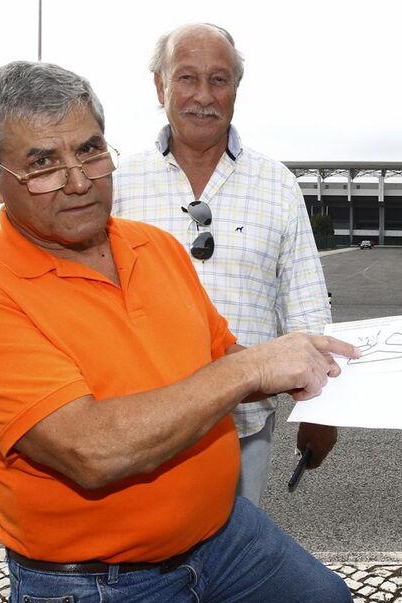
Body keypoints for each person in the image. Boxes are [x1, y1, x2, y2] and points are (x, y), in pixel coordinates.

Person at [0, 60, 357, 603]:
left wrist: (313, 366)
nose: (78, 181)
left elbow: (221, 357)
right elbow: (91, 450)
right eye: (42, 163)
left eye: (89, 150)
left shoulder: (154, 246)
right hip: (99, 589)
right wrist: (252, 371)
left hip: (223, 537)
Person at [113, 23, 334, 507]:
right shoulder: (118, 183)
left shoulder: (276, 184)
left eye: (219, 79)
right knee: (144, 565)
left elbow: (304, 302)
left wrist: (322, 410)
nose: (202, 96)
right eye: (186, 78)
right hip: (139, 423)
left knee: (235, 564)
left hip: (245, 423)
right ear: (159, 86)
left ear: (236, 88)